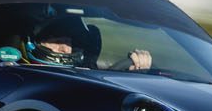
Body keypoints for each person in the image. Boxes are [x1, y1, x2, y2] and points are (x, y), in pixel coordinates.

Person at [22, 13, 151, 71]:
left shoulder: (86, 72)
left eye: (69, 43)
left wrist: (136, 69)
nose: (66, 49)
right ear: (36, 43)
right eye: (57, 42)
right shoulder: (20, 71)